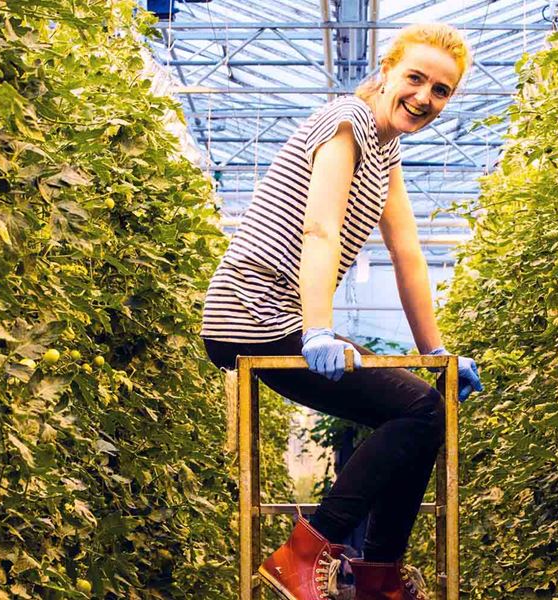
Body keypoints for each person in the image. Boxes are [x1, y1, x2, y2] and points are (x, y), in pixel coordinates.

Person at [200, 23, 484, 600]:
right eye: (415, 78)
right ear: (386, 70)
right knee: (419, 411)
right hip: (252, 314)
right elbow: (320, 229)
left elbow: (407, 253)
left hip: (282, 316)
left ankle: (378, 578)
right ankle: (304, 554)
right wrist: (318, 330)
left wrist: (435, 351)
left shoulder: (386, 148)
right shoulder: (347, 122)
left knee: (426, 413)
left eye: (441, 90)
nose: (424, 97)